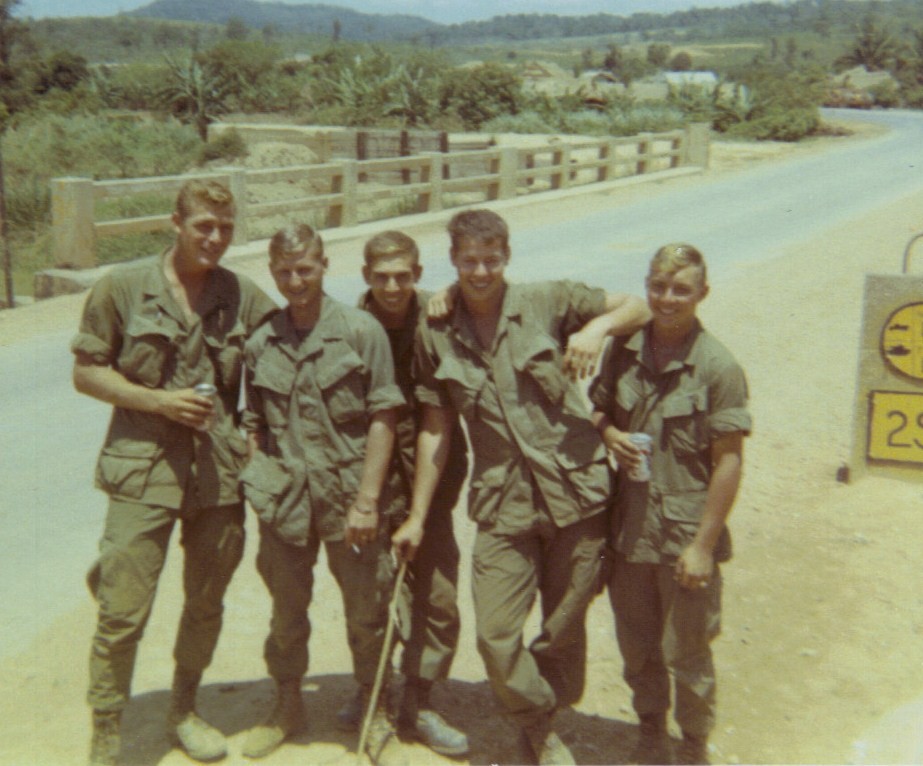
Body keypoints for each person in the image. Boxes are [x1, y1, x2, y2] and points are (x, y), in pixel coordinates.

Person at [391, 209, 650, 765]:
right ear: (453, 261)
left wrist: (596, 328)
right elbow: (436, 428)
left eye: (491, 260)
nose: (480, 271)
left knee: (561, 632)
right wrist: (416, 515)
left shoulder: (548, 301)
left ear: (507, 256)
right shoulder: (435, 330)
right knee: (497, 635)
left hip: (576, 495)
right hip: (502, 502)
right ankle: (538, 725)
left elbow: (639, 305)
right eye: (468, 261)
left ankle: (541, 727)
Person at [72, 179, 279, 766]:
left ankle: (183, 708)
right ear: (176, 223)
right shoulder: (123, 287)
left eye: (225, 228)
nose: (215, 238)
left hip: (217, 473)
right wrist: (158, 401)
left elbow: (300, 329)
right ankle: (108, 726)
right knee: (122, 610)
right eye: (203, 227)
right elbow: (87, 373)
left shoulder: (239, 294)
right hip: (142, 471)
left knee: (206, 601)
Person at [238, 224, 404, 763]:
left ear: (324, 265)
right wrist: (260, 482)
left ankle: (375, 708)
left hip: (348, 499)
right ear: (272, 271)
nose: (295, 280)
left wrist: (368, 500)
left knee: (368, 610)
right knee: (286, 613)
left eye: (305, 268)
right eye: (284, 271)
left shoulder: (361, 331)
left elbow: (384, 416)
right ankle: (288, 705)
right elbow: (254, 423)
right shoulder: (262, 340)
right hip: (286, 504)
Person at [588, 243, 751, 765]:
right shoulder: (625, 349)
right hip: (630, 529)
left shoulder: (717, 367)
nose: (667, 298)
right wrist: (610, 432)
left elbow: (728, 462)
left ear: (702, 294)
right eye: (658, 286)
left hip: (684, 534)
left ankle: (695, 744)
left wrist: (703, 546)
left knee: (687, 651)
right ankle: (651, 734)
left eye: (682, 289)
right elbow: (595, 410)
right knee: (638, 648)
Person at [333, 230, 469, 757]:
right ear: (366, 276)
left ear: (417, 273)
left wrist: (420, 508)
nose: (393, 286)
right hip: (367, 475)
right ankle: (373, 691)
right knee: (367, 592)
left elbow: (440, 415)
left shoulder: (438, 320)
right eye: (382, 276)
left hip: (430, 474)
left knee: (435, 594)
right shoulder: (345, 327)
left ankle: (422, 698)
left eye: (404, 276)